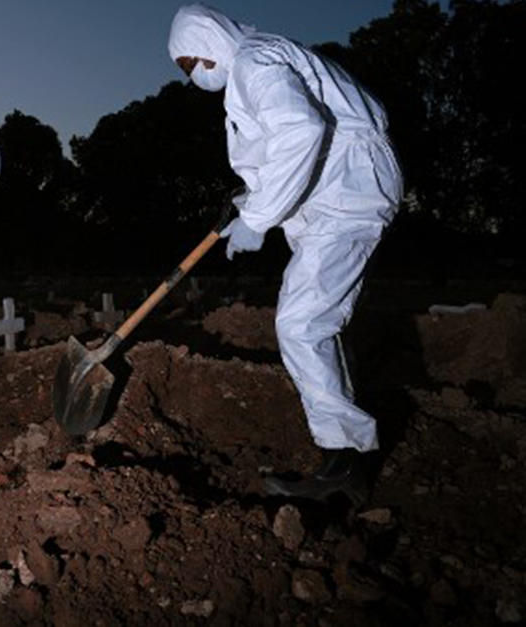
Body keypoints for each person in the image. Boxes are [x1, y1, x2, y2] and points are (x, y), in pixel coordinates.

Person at [168, 5, 403, 504]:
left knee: (301, 323)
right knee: (320, 322)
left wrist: (257, 219)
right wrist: (248, 201)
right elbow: (280, 146)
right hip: (335, 194)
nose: (195, 77)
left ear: (209, 41)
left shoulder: (253, 62)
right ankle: (347, 454)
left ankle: (344, 461)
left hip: (346, 195)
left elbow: (301, 131)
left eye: (193, 63)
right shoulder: (261, 58)